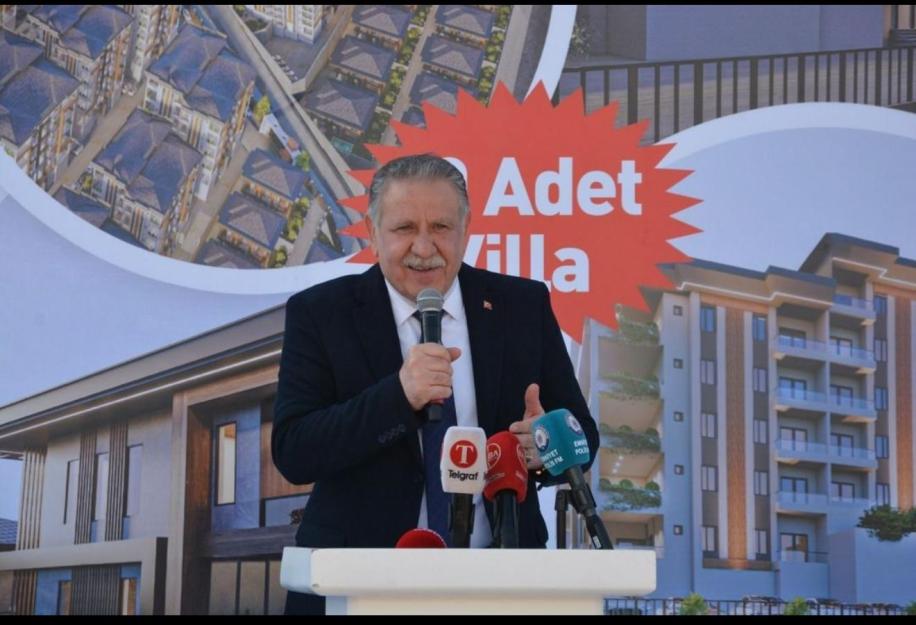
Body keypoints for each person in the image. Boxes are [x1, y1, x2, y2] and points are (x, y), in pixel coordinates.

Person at [272, 153, 599, 614]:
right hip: (359, 581)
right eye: (405, 228)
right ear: (373, 233)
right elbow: (295, 450)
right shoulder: (321, 313)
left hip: (500, 583)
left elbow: (583, 435)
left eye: (441, 227)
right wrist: (399, 397)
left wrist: (544, 446)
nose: (424, 248)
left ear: (465, 230)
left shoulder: (521, 306)